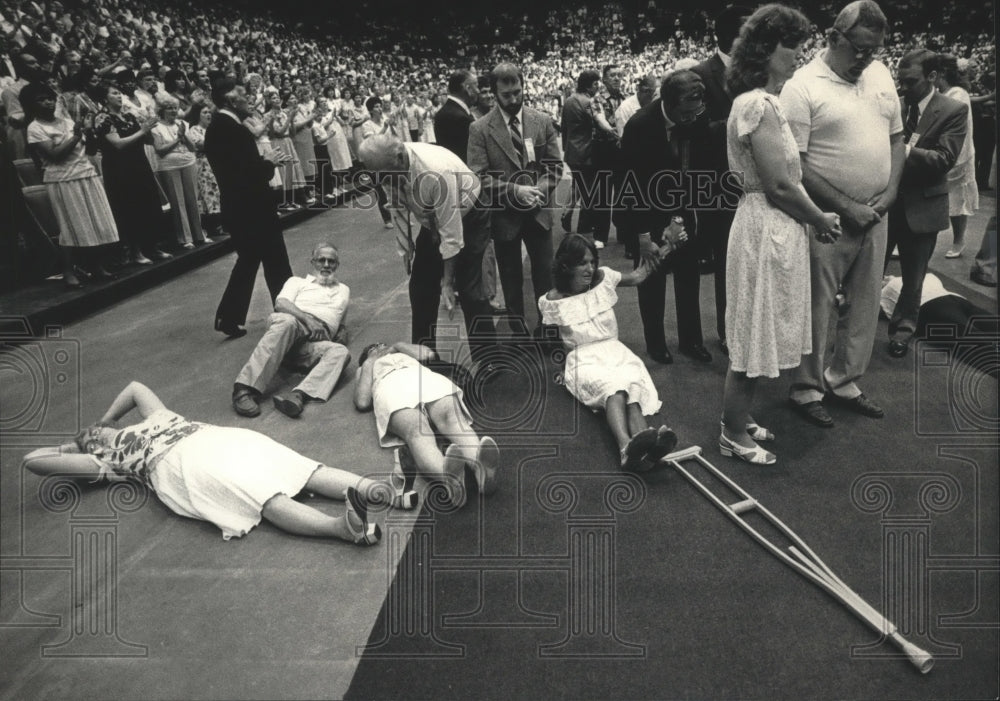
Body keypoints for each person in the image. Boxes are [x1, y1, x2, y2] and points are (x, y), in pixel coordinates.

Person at [21, 382, 396, 545]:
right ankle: (341, 529)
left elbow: (135, 388)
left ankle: (377, 490)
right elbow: (33, 461)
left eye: (98, 431)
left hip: (217, 438)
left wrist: (104, 421)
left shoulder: (156, 417)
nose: (97, 433)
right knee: (261, 495)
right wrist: (71, 447)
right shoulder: (107, 462)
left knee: (300, 467)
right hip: (181, 465)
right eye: (92, 437)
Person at [719, 4, 843, 465]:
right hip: (764, 227)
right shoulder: (758, 103)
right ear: (766, 49)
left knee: (756, 328)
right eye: (791, 46)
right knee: (752, 334)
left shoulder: (761, 102)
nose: (798, 54)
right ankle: (732, 433)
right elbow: (779, 185)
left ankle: (738, 415)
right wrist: (821, 218)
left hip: (767, 226)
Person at [780, 0, 904, 427]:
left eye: (874, 50)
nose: (866, 59)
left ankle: (845, 379)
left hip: (876, 213)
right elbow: (794, 164)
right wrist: (846, 207)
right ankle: (806, 387)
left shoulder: (880, 73)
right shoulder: (801, 86)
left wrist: (889, 194)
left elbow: (897, 140)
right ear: (834, 37)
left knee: (866, 302)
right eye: (859, 49)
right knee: (817, 305)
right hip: (825, 218)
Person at [539, 234, 680, 472]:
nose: (590, 268)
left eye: (592, 261)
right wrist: (562, 370)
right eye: (582, 263)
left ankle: (649, 446)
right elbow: (553, 342)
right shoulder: (552, 299)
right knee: (613, 388)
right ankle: (626, 448)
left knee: (631, 386)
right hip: (582, 359)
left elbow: (638, 275)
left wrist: (669, 247)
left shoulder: (603, 278)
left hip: (616, 352)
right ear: (566, 265)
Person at [357, 134, 496, 365]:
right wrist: (406, 247)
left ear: (400, 158)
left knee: (469, 289)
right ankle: (422, 358)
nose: (381, 180)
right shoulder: (386, 167)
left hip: (470, 214)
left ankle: (489, 359)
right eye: (376, 175)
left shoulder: (436, 172)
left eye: (384, 174)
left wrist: (447, 283)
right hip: (431, 217)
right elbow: (397, 206)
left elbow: (451, 236)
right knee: (420, 287)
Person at [619, 70, 717, 365]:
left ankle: (691, 341)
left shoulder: (695, 115)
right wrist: (644, 237)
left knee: (688, 275)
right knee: (652, 280)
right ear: (670, 104)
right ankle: (656, 343)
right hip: (647, 211)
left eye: (695, 113)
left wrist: (687, 216)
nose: (692, 119)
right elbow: (630, 186)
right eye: (685, 115)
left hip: (683, 210)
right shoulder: (639, 126)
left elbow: (700, 167)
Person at [467, 62, 563, 338]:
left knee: (546, 277)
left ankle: (548, 330)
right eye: (506, 94)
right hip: (504, 218)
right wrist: (515, 191)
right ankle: (518, 332)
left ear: (524, 87)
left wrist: (538, 191)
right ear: (494, 93)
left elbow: (555, 167)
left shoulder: (541, 121)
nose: (513, 99)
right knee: (511, 280)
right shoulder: (480, 129)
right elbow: (478, 177)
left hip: (538, 213)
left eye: (517, 92)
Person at [883, 49, 967, 359]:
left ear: (932, 77)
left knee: (914, 277)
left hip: (922, 207)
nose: (903, 88)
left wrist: (900, 148)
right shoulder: (894, 103)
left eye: (910, 82)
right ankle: (855, 333)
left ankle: (903, 331)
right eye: (900, 80)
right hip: (884, 204)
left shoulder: (953, 110)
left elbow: (944, 160)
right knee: (866, 274)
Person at [354, 341, 500, 509]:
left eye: (383, 344)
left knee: (452, 420)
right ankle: (448, 477)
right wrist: (370, 360)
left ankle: (481, 468)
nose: (380, 346)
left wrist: (398, 345)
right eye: (374, 346)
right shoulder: (365, 367)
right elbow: (362, 401)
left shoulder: (402, 352)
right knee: (417, 431)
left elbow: (427, 354)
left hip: (423, 378)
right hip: (391, 386)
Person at [205, 77, 293, 339]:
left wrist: (265, 163)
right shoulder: (231, 129)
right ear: (231, 99)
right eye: (244, 95)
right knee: (276, 261)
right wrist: (268, 164)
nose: (250, 99)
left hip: (240, 206)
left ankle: (228, 317)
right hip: (252, 207)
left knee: (249, 260)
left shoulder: (222, 126)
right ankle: (289, 315)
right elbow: (246, 174)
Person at [691, 5, 752, 355]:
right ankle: (729, 332)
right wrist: (741, 122)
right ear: (729, 35)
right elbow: (695, 129)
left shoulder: (759, 74)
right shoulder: (702, 74)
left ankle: (752, 326)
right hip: (720, 186)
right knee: (728, 262)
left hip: (759, 184)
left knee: (755, 261)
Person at [232, 242, 351, 419]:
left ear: (337, 265)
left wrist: (339, 332)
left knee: (341, 352)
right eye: (321, 260)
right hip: (291, 325)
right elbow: (281, 304)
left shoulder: (344, 290)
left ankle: (299, 396)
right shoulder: (296, 282)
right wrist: (308, 320)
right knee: (287, 322)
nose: (326, 265)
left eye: (331, 261)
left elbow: (340, 320)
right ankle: (244, 389)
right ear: (313, 262)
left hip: (313, 342)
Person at [23, 81, 119, 288]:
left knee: (94, 222)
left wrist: (92, 133)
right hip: (62, 179)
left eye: (50, 98)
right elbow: (55, 155)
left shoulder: (66, 121)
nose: (48, 102)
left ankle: (96, 266)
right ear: (31, 105)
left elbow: (90, 150)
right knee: (71, 226)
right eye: (41, 100)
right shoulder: (35, 128)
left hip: (86, 173)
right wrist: (77, 135)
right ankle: (68, 271)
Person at [93, 83, 171, 266]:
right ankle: (135, 251)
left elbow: (147, 141)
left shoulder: (129, 116)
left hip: (139, 163)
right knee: (129, 208)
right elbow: (118, 144)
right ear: (105, 98)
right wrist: (142, 130)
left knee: (148, 204)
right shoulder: (103, 118)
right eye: (114, 93)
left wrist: (150, 128)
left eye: (119, 93)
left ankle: (152, 247)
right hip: (119, 168)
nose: (119, 96)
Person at [931, 54, 979, 259]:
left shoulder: (958, 93)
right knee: (936, 197)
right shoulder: (940, 91)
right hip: (942, 150)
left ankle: (959, 239)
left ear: (941, 73)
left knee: (958, 201)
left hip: (959, 153)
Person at [151, 93, 207, 249]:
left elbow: (192, 147)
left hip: (188, 162)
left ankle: (199, 234)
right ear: (161, 110)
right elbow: (160, 150)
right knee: (178, 202)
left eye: (175, 108)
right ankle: (185, 238)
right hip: (169, 166)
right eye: (169, 108)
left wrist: (184, 136)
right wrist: (177, 139)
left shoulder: (182, 123)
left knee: (193, 199)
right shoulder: (157, 127)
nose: (173, 111)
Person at [880, 273, 998, 347]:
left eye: (884, 276)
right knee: (974, 336)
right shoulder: (884, 293)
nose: (885, 278)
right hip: (934, 305)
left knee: (986, 326)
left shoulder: (917, 274)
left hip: (949, 300)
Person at [561, 70, 600, 238]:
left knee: (579, 185)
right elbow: (597, 124)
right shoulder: (587, 102)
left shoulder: (569, 100)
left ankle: (567, 211)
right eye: (595, 84)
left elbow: (563, 127)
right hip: (585, 151)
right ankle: (584, 225)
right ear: (588, 85)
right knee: (589, 190)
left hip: (571, 151)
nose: (597, 87)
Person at [433, 70, 478, 163]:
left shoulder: (444, 112)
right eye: (476, 86)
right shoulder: (461, 118)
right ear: (468, 88)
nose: (478, 91)